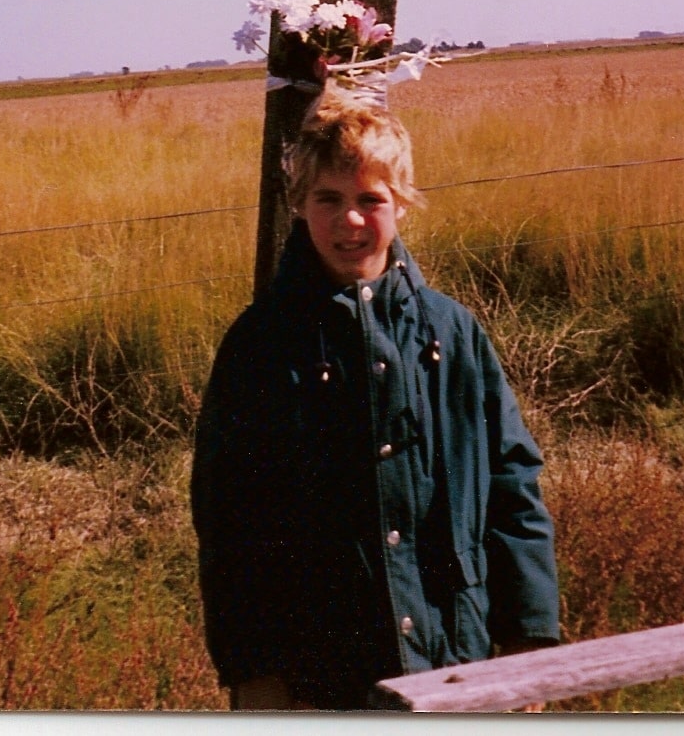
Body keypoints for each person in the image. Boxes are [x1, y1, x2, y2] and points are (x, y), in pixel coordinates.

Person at [189, 83, 559, 710]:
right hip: (322, 668)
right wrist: (255, 673)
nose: (351, 220)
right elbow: (230, 524)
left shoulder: (450, 332)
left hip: (452, 649)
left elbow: (511, 483)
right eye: (328, 199)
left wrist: (528, 636)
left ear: (402, 204)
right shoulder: (261, 345)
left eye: (371, 199)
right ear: (298, 206)